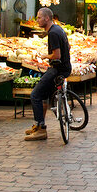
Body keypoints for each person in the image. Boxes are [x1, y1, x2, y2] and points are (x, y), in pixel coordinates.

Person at [26, 8, 72, 140]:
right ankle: (40, 126)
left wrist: (44, 56)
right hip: (65, 67)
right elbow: (68, 48)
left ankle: (40, 129)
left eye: (39, 17)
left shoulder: (52, 33)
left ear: (47, 18)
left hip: (58, 69)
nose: (37, 20)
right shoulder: (59, 29)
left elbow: (56, 55)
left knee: (35, 95)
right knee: (44, 95)